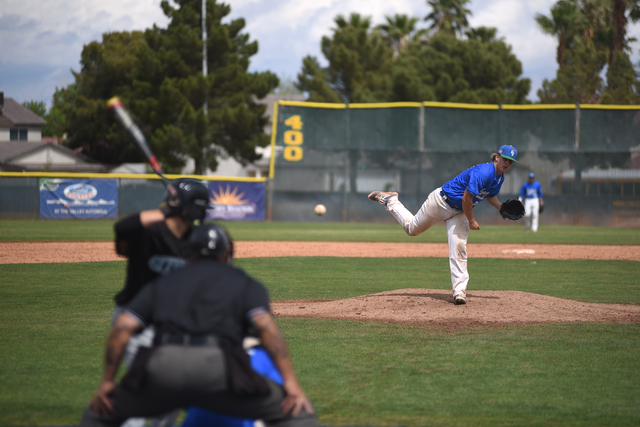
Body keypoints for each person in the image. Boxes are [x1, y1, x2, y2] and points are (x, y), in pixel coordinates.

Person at [79, 223, 316, 427]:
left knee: (98, 416)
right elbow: (266, 329)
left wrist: (108, 381)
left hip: (162, 371)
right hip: (219, 371)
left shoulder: (164, 283)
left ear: (187, 253)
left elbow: (122, 327)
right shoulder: (244, 282)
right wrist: (291, 383)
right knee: (297, 414)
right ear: (227, 253)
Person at [112, 178, 210, 427]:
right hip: (135, 321)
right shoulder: (150, 232)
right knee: (145, 386)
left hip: (170, 324)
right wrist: (169, 210)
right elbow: (123, 228)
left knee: (173, 393)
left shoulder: (193, 241)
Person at [367, 145, 518, 305]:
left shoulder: (499, 178)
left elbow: (489, 195)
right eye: (505, 159)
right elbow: (467, 199)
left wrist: (500, 207)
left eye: (511, 161)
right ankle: (392, 201)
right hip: (441, 202)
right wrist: (472, 220)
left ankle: (459, 291)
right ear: (497, 157)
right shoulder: (483, 173)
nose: (507, 163)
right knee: (412, 229)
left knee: (459, 247)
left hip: (459, 212)